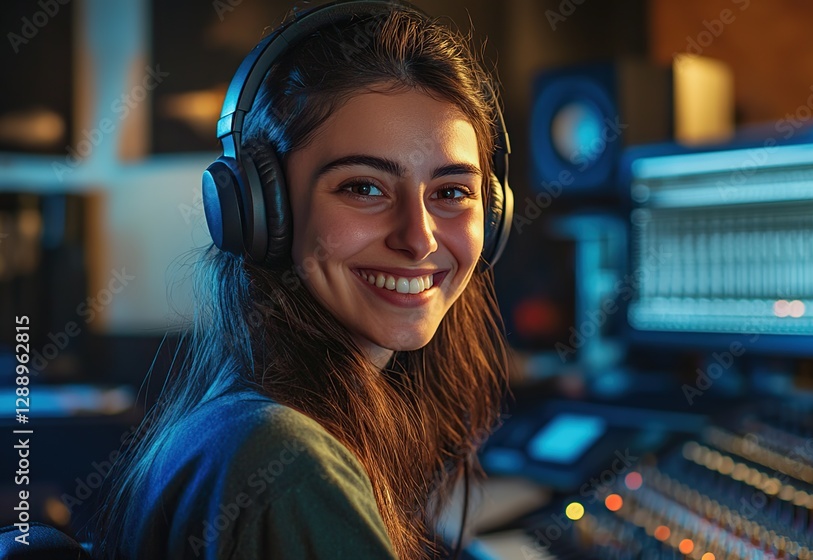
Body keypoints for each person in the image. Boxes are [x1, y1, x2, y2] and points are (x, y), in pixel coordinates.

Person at [89, 1, 512, 558]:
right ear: (261, 213)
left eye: (452, 192)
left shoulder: (244, 426)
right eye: (364, 187)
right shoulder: (286, 467)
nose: (420, 238)